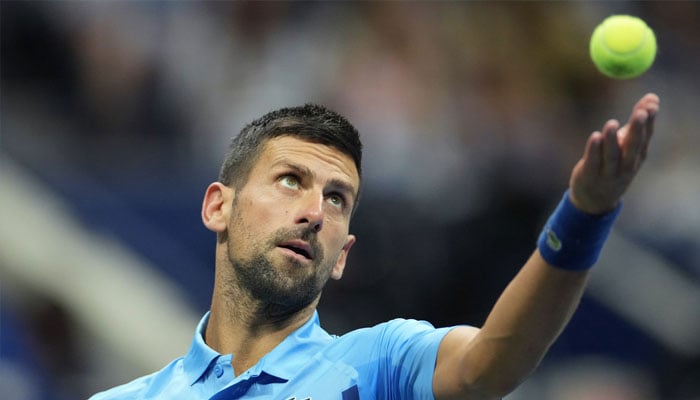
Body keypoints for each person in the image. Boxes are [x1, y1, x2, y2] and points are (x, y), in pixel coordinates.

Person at [90, 93, 660, 400]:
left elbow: (491, 363)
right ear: (219, 206)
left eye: (338, 199)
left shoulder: (381, 363)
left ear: (342, 255)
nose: (315, 212)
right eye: (291, 179)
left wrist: (585, 215)